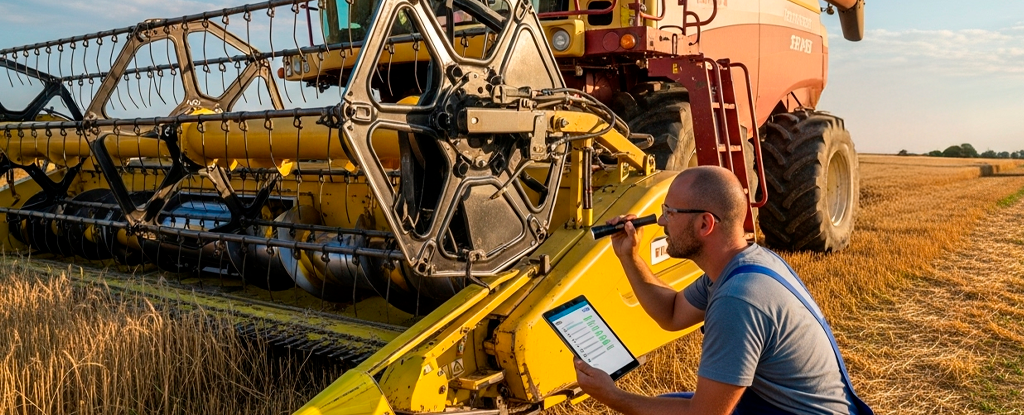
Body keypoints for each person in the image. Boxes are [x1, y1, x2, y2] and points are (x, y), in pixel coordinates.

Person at [573, 166, 870, 415]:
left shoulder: (738, 299)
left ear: (705, 224)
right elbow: (673, 313)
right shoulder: (742, 265)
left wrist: (613, 396)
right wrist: (630, 257)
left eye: (670, 212)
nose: (662, 221)